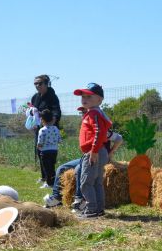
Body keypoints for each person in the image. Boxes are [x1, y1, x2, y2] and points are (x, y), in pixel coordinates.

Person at [43, 128, 123, 210]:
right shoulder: (87, 128)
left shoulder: (101, 130)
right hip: (87, 156)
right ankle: (56, 198)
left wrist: (111, 152)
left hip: (98, 157)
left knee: (79, 169)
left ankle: (79, 200)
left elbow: (119, 138)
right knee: (61, 168)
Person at [73, 83, 112, 219]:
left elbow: (99, 131)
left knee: (86, 182)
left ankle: (91, 210)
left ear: (99, 100)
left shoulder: (93, 113)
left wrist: (94, 151)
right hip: (97, 151)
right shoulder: (93, 113)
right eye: (83, 96)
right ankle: (99, 209)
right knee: (96, 182)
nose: (85, 99)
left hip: (93, 152)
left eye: (89, 96)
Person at [31, 74, 61, 186]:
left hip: (50, 130)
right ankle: (44, 177)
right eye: (35, 84)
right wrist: (33, 122)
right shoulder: (35, 97)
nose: (37, 86)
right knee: (40, 154)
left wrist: (51, 123)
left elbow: (56, 111)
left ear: (46, 84)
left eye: (40, 83)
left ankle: (50, 180)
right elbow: (33, 112)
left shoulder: (52, 96)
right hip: (39, 130)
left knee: (49, 157)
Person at [36, 109, 61, 188]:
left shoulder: (42, 130)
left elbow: (40, 143)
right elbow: (59, 140)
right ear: (52, 119)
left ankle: (48, 183)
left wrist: (39, 147)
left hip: (45, 152)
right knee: (52, 167)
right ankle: (53, 182)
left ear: (42, 120)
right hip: (54, 151)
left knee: (46, 168)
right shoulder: (56, 129)